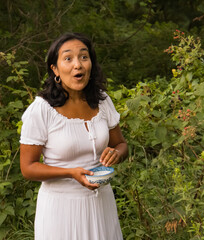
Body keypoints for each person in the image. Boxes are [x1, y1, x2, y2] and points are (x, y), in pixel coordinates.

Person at [20, 32, 128, 240]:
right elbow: (28, 168)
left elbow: (121, 145)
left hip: (101, 204)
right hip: (61, 209)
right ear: (55, 69)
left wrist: (116, 153)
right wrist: (71, 173)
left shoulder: (102, 101)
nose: (77, 65)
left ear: (91, 64)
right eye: (68, 58)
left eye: (84, 57)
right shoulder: (41, 110)